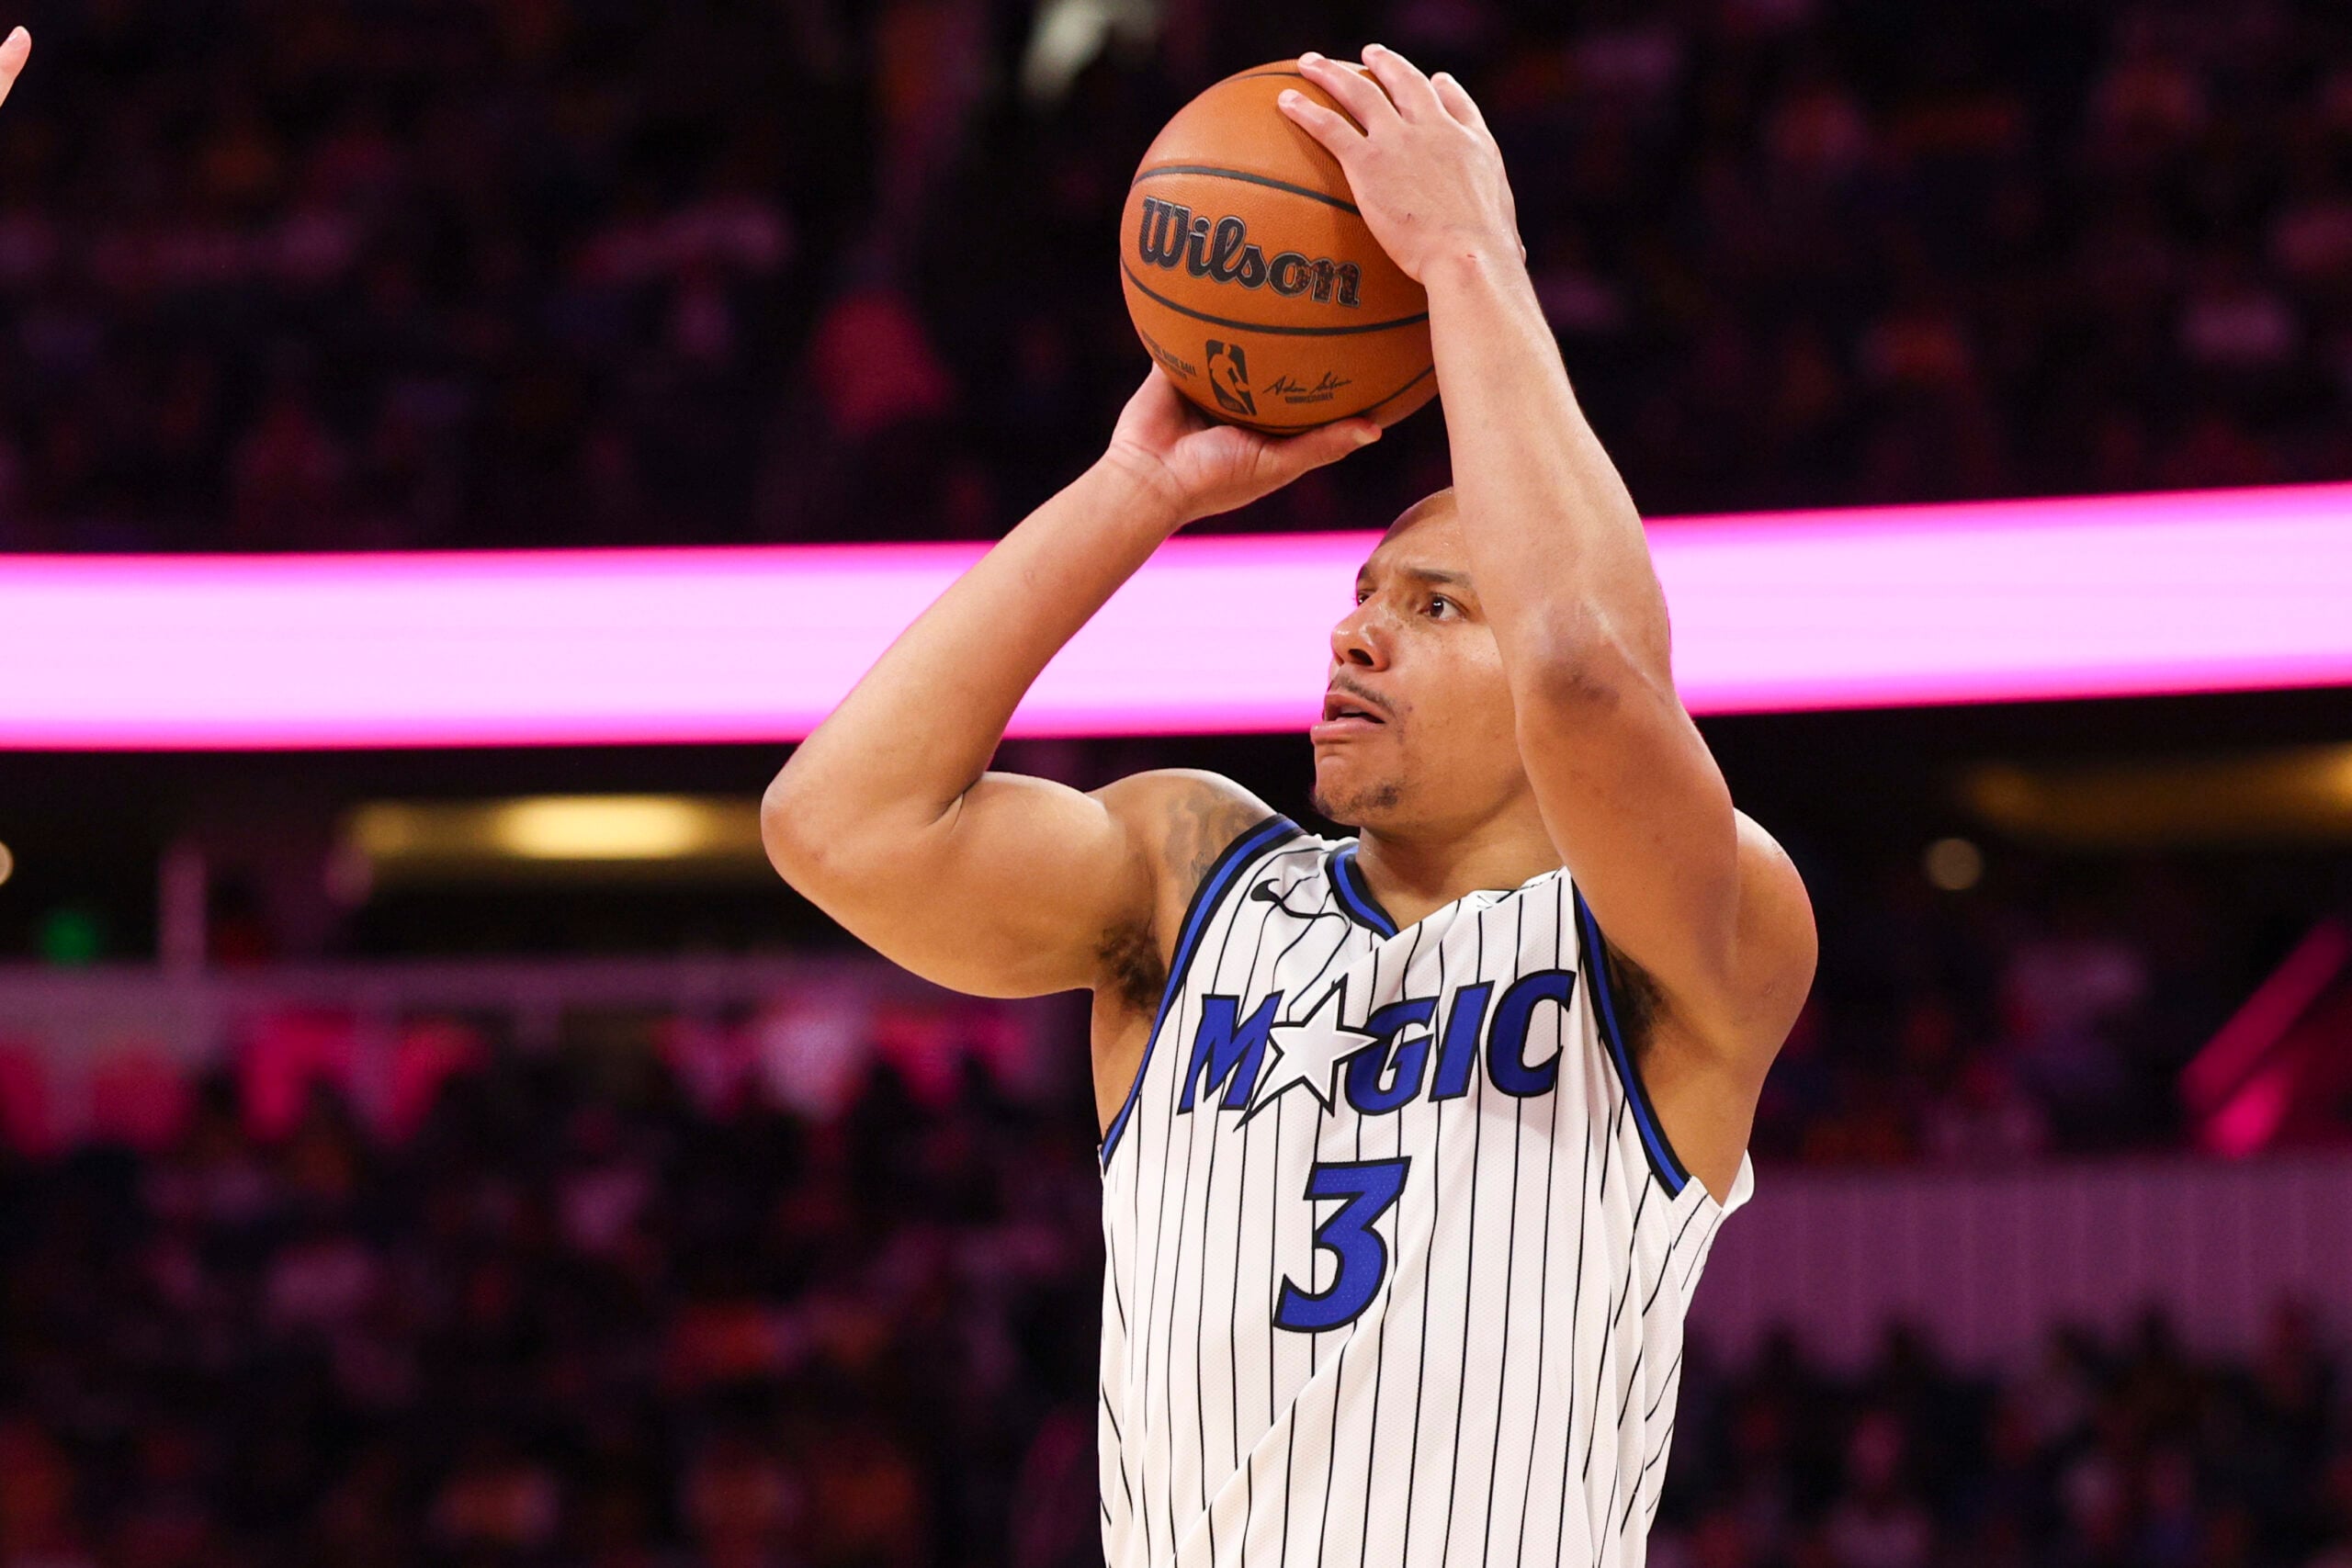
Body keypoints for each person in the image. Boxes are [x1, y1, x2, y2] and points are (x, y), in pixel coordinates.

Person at [766, 44, 1817, 1568]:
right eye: (1363, 594)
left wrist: (1468, 262)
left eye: (1437, 606)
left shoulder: (1679, 939)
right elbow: (835, 827)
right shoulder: (1190, 877)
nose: (1358, 633)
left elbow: (1587, 671)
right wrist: (1135, 494)